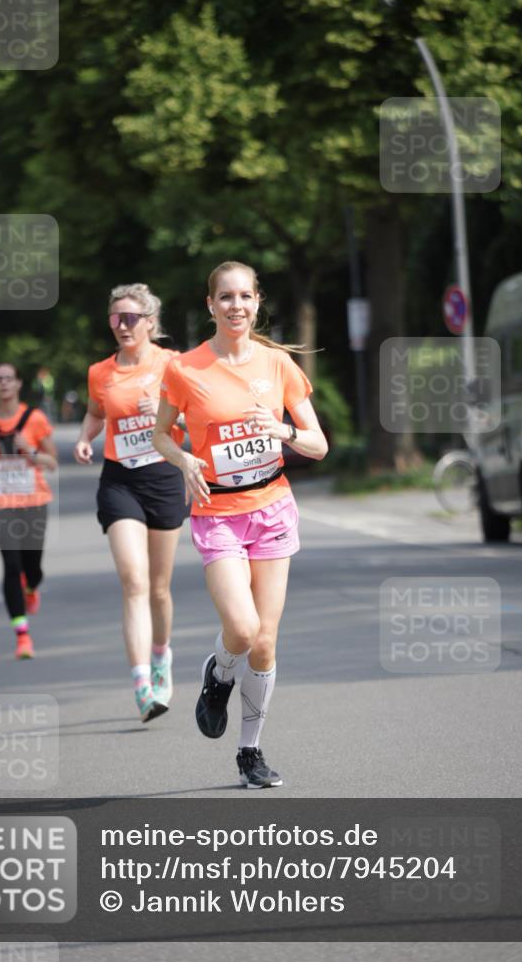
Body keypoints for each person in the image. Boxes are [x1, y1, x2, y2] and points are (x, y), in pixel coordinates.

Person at [154, 261, 328, 789]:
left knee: (266, 642)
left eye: (245, 296)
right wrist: (184, 462)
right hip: (218, 514)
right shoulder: (185, 369)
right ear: (211, 305)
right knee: (243, 629)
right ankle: (218, 675)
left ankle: (249, 751)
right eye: (225, 297)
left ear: (257, 302)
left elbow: (318, 445)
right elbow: (162, 435)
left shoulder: (277, 365)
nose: (236, 306)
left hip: (272, 509)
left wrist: (282, 428)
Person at [74, 284, 187, 723]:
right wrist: (85, 438)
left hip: (163, 476)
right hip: (120, 480)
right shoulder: (100, 371)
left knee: (158, 587)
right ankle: (142, 682)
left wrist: (162, 411)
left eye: (131, 318)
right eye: (116, 318)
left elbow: (196, 408)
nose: (122, 325)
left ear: (150, 323)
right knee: (133, 580)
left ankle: (161, 656)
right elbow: (96, 412)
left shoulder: (172, 364)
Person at [0, 363, 57, 659]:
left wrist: (30, 450)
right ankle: (22, 637)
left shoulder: (34, 418)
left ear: (18, 384)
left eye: (9, 378)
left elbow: (52, 462)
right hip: (1, 502)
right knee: (11, 566)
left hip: (34, 500)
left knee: (32, 566)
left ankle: (32, 587)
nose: (4, 384)